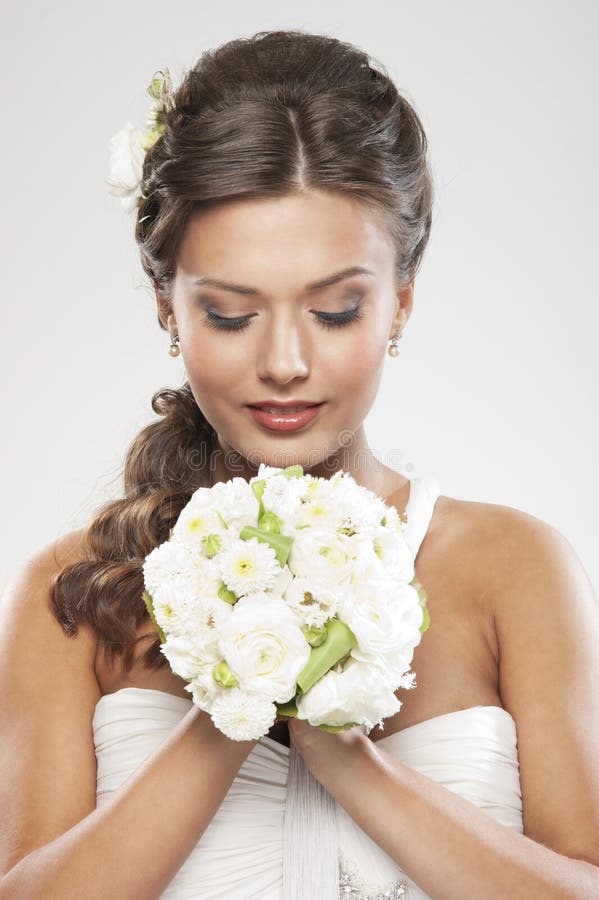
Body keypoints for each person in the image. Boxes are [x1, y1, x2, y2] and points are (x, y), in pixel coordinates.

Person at [1, 28, 598, 900]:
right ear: (171, 308)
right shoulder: (72, 589)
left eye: (334, 310)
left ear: (399, 301)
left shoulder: (514, 568)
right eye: (232, 315)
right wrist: (242, 691)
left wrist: (342, 747)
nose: (283, 361)